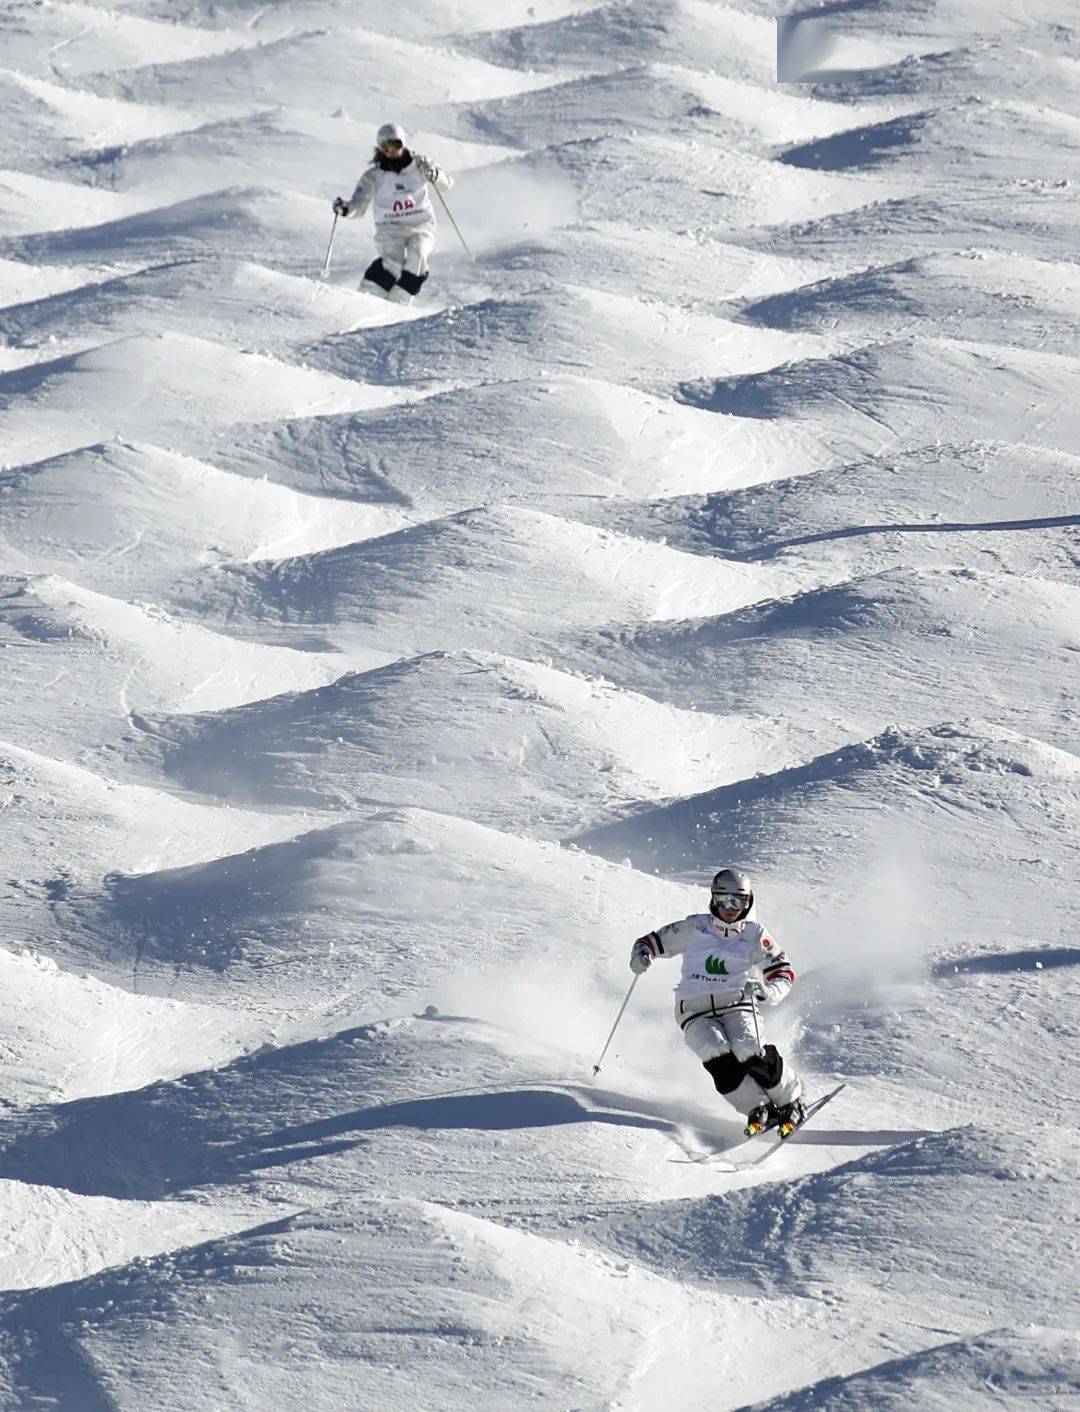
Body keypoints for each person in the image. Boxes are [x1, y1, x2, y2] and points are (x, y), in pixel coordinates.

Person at [629, 867, 806, 1138]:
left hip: (737, 1002)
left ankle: (791, 1100)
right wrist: (641, 956)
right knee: (714, 1052)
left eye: (739, 901)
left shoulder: (755, 935)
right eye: (724, 900)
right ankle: (755, 1107)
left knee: (748, 1047)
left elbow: (783, 972)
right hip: (694, 1009)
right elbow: (649, 942)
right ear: (713, 898)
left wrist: (767, 992)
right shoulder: (694, 928)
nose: (731, 908)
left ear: (749, 902)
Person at [332, 122, 453, 305]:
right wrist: (346, 209)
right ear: (379, 148)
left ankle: (398, 303)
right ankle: (365, 299)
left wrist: (435, 174)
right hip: (390, 228)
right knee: (392, 265)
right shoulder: (374, 176)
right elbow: (359, 204)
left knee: (418, 258)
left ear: (403, 144)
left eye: (395, 145)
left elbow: (447, 185)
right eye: (385, 147)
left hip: (420, 225)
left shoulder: (421, 165)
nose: (391, 151)